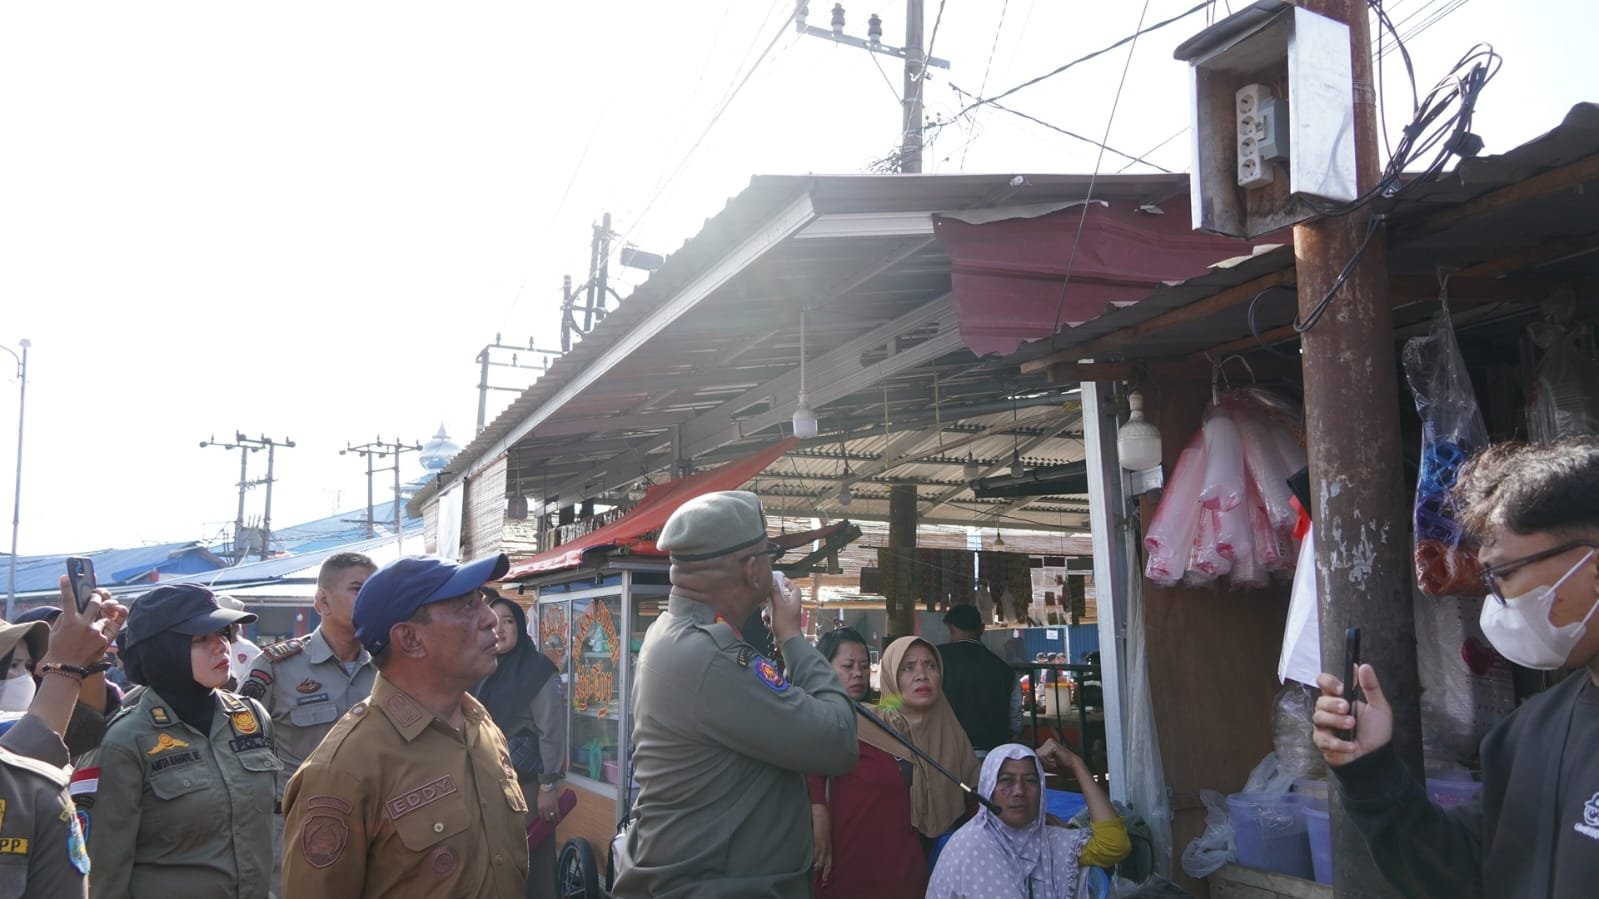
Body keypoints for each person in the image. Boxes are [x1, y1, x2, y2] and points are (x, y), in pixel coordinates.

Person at [1311, 438, 1599, 897]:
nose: (1495, 600)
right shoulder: (1526, 734)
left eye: (1503, 574)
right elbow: (1466, 874)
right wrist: (1369, 771)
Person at [611, 490, 858, 899]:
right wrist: (793, 637)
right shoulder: (711, 657)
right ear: (751, 569)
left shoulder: (671, 631)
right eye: (769, 554)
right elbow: (838, 740)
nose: (771, 564)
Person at [280, 553, 528, 898]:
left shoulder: (481, 726)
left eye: (482, 602)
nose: (490, 619)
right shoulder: (343, 770)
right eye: (467, 607)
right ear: (410, 640)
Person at [73, 583, 276, 899]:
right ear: (163, 649)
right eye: (200, 639)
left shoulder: (250, 719)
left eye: (223, 633)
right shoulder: (123, 740)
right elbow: (101, 872)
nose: (221, 646)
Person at [241, 551, 378, 898]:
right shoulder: (277, 666)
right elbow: (237, 748)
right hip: (295, 825)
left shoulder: (389, 669)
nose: (370, 598)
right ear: (322, 602)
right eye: (358, 588)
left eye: (375, 589)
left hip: (372, 827)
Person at [0, 577, 122, 898]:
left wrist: (80, 664)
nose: (25, 677)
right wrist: (67, 665)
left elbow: (77, 728)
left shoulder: (21, 753)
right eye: (11, 666)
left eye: (25, 665)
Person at [807, 627, 928, 899]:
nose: (858, 674)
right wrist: (818, 810)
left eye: (864, 666)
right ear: (823, 668)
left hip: (897, 859)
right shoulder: (817, 718)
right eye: (848, 666)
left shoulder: (884, 718)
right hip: (845, 854)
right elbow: (809, 773)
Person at [926, 740, 1131, 898]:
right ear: (988, 790)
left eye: (1031, 781)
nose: (1019, 791)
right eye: (1006, 780)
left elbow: (1114, 845)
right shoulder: (976, 846)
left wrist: (1076, 764)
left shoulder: (1040, 839)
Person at [472, 587, 567, 899]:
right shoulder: (483, 669)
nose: (498, 628)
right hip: (487, 786)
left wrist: (548, 786)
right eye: (491, 621)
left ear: (520, 627)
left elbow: (551, 732)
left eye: (508, 621)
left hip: (526, 788)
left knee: (530, 865)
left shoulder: (538, 671)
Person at [877, 635, 980, 845]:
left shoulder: (951, 729)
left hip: (947, 852)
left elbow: (973, 800)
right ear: (890, 676)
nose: (922, 675)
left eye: (930, 665)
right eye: (908, 667)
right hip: (888, 851)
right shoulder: (873, 732)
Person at [13, 604, 126, 759]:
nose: (65, 647)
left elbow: (92, 725)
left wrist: (93, 653)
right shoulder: (20, 695)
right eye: (53, 641)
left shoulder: (91, 686)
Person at [938, 603, 1022, 754]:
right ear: (982, 629)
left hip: (947, 752)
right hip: (992, 753)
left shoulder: (936, 660)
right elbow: (1015, 721)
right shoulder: (1006, 670)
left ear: (951, 629)